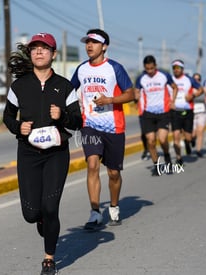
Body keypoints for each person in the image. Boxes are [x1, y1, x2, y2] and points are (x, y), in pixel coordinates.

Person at [3, 33, 82, 275]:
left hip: (56, 153)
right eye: (35, 48)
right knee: (31, 213)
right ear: (30, 53)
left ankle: (49, 258)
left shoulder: (65, 86)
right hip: (28, 153)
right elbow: (7, 116)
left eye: (44, 48)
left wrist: (63, 116)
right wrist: (19, 127)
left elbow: (78, 121)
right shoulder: (19, 86)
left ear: (53, 54)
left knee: (50, 207)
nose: (39, 52)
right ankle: (40, 221)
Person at [70, 29, 134, 229]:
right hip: (89, 125)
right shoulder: (81, 69)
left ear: (104, 46)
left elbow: (131, 93)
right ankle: (95, 212)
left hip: (113, 126)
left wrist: (110, 100)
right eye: (87, 42)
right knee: (92, 164)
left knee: (113, 172)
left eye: (94, 42)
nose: (89, 46)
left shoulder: (114, 68)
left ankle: (114, 206)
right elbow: (69, 91)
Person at [135, 55, 177, 176]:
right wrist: (136, 97)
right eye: (147, 69)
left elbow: (174, 88)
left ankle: (167, 156)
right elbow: (136, 92)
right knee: (151, 141)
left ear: (155, 66)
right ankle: (157, 165)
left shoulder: (164, 75)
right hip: (147, 114)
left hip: (163, 112)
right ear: (144, 68)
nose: (150, 71)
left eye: (152, 68)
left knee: (163, 139)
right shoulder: (141, 78)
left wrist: (172, 101)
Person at [170, 59, 203, 165]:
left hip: (187, 110)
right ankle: (179, 158)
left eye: (178, 68)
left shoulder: (189, 79)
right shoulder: (169, 80)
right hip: (175, 111)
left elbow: (201, 89)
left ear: (182, 69)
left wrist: (192, 95)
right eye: (174, 68)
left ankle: (187, 142)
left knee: (188, 137)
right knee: (176, 136)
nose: (176, 70)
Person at [192, 73, 206, 157]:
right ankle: (192, 139)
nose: (196, 81)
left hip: (202, 112)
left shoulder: (204, 89)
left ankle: (199, 150)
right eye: (195, 79)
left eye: (198, 79)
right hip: (192, 114)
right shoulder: (190, 89)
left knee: (200, 131)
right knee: (193, 133)